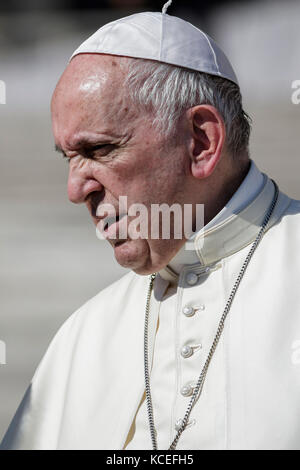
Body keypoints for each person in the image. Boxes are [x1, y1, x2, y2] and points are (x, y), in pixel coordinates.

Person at [1, 6, 300, 451]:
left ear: (200, 142)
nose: (75, 189)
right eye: (69, 158)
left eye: (99, 149)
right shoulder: (85, 335)